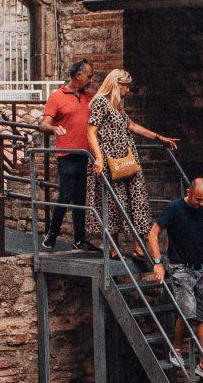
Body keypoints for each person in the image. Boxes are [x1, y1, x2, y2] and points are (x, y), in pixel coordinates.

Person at [85, 68, 175, 254]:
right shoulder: (100, 103)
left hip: (127, 160)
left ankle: (138, 246)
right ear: (117, 85)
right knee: (112, 201)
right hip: (110, 160)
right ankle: (113, 247)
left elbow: (132, 126)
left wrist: (159, 137)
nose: (128, 91)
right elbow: (91, 132)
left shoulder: (117, 105)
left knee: (136, 200)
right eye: (126, 87)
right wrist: (99, 158)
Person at [150, 175, 203, 367]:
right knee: (187, 312)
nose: (201, 203)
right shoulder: (174, 208)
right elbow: (153, 233)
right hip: (180, 267)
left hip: (201, 267)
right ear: (189, 192)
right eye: (198, 199)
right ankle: (176, 348)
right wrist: (157, 263)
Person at [40, 57, 95, 247]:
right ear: (78, 76)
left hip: (84, 155)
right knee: (65, 195)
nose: (91, 80)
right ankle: (52, 235)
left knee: (81, 197)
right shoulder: (57, 96)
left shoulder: (89, 97)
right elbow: (44, 124)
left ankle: (79, 239)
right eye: (89, 76)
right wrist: (54, 128)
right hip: (66, 155)